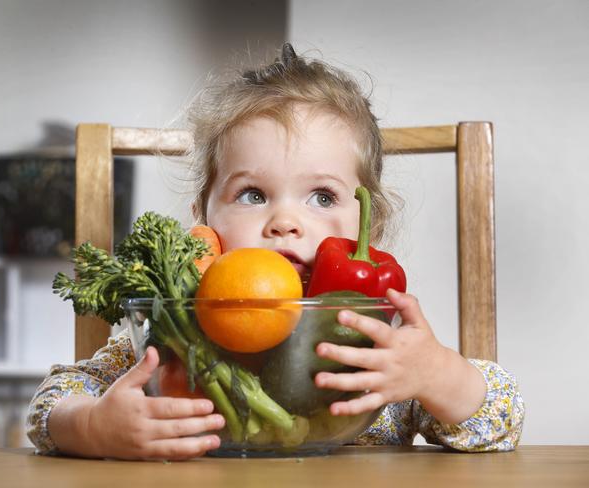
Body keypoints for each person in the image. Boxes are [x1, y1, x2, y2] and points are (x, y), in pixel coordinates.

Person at [27, 44, 524, 460]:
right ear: (204, 217)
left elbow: (501, 421)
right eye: (253, 195)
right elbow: (52, 402)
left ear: (368, 221)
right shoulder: (177, 337)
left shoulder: (375, 346)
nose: (285, 222)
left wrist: (436, 374)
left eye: (323, 197)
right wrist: (93, 426)